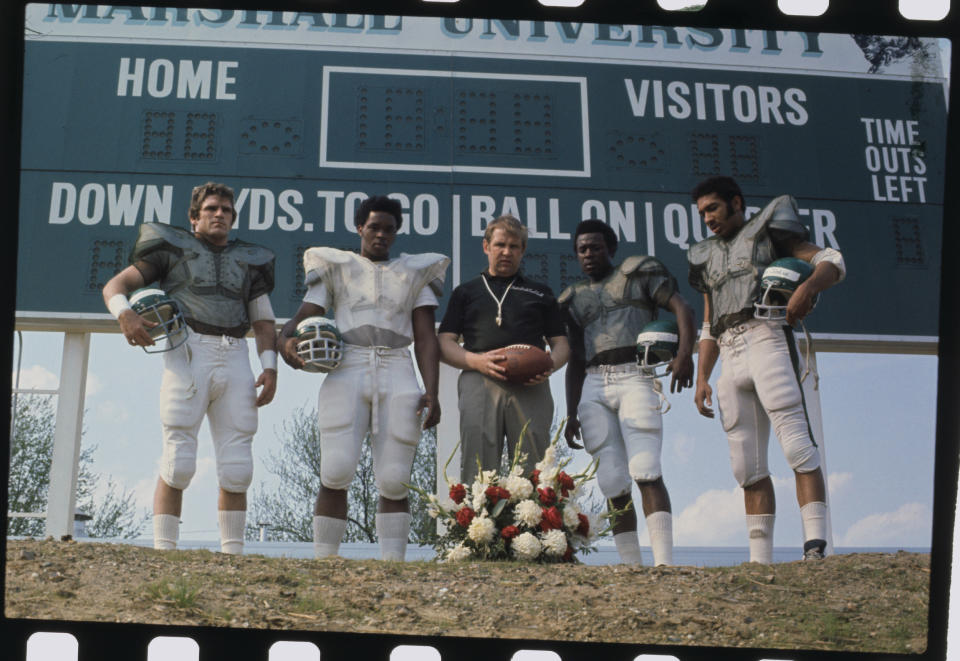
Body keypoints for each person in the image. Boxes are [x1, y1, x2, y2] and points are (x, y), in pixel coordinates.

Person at [102, 181, 277, 554]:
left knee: (237, 466)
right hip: (189, 349)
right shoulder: (172, 250)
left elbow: (263, 321)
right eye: (212, 208)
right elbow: (114, 286)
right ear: (194, 217)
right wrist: (125, 314)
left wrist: (271, 365)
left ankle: (233, 558)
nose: (220, 215)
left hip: (236, 354)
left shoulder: (249, 259)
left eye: (226, 210)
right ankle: (165, 552)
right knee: (179, 459)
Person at [278, 195, 449, 561]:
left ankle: (393, 566)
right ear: (360, 228)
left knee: (394, 476)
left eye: (389, 229)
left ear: (397, 232)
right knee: (335, 468)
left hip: (398, 364)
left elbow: (425, 337)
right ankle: (324, 560)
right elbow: (304, 314)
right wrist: (284, 340)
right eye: (374, 227)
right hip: (349, 363)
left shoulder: (413, 272)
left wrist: (432, 390)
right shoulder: (337, 267)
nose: (381, 235)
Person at [687, 175, 846, 562]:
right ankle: (760, 561)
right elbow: (709, 322)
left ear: (736, 203)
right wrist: (702, 376)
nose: (707, 218)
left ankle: (815, 547)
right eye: (702, 212)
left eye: (713, 208)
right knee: (746, 464)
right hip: (728, 349)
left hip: (765, 335)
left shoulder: (768, 231)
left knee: (795, 443)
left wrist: (808, 288)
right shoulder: (705, 253)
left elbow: (831, 260)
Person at [560, 220, 694, 566]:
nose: (588, 254)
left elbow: (682, 307)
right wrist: (571, 411)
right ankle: (631, 565)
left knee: (646, 468)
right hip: (593, 380)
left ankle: (664, 563)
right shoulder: (574, 298)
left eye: (595, 247)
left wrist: (684, 355)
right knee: (612, 479)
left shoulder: (638, 274)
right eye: (582, 249)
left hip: (635, 374)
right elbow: (575, 357)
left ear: (611, 249)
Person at [438, 214, 570, 484]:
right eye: (500, 245)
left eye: (513, 246)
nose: (506, 252)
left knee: (535, 465)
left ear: (522, 250)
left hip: (530, 383)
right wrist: (476, 361)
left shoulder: (540, 292)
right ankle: (477, 525)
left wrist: (549, 365)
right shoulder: (466, 292)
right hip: (480, 379)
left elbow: (561, 344)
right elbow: (444, 342)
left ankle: (537, 524)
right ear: (486, 246)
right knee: (478, 465)